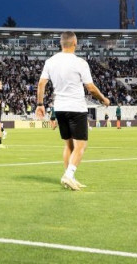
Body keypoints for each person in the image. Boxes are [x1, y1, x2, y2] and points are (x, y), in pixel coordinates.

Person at [36, 31, 110, 191]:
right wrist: (103, 99)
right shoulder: (80, 63)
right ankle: (69, 175)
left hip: (60, 108)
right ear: (75, 43)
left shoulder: (50, 61)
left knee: (68, 145)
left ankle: (69, 177)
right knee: (81, 145)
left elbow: (41, 84)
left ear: (61, 44)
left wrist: (40, 104)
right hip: (76, 108)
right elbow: (90, 88)